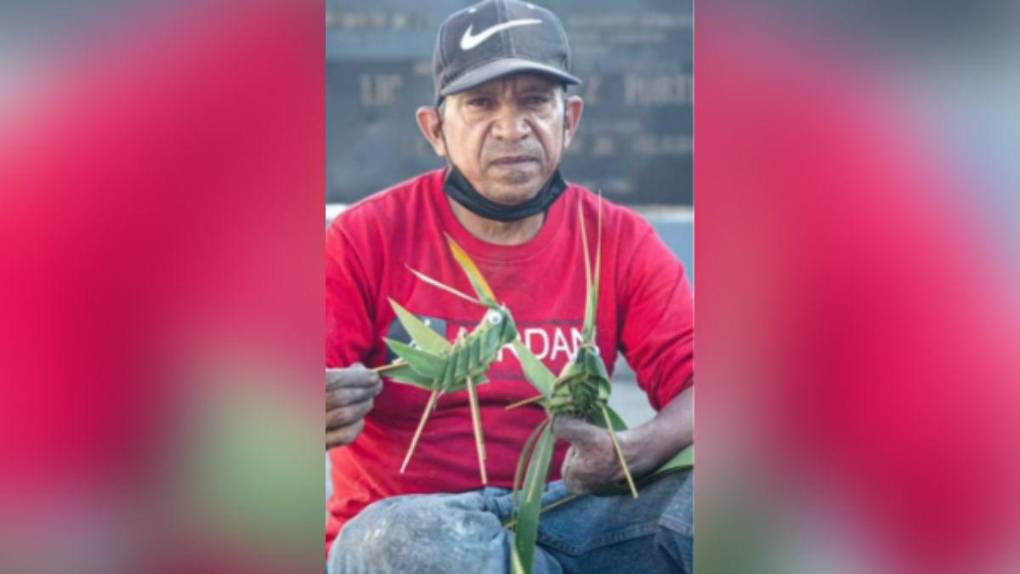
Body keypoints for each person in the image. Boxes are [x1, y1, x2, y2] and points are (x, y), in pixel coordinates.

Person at [325, 1, 693, 572]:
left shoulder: (621, 239)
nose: (512, 128)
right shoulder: (361, 238)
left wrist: (635, 451)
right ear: (435, 130)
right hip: (421, 528)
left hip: (573, 519)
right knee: (387, 544)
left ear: (569, 119)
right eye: (480, 103)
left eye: (534, 101)